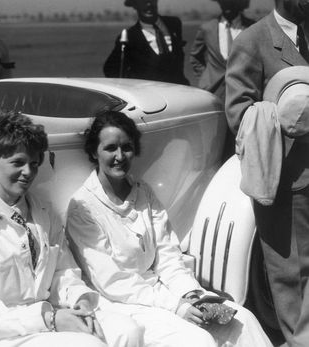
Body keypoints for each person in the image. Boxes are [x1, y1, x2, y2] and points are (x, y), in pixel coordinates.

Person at [66, 110, 273, 347]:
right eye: (110, 148)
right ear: (94, 151)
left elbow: (168, 256)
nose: (120, 156)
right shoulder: (83, 207)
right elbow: (113, 282)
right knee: (199, 341)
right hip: (122, 305)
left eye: (127, 147)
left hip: (163, 291)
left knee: (243, 321)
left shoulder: (143, 192)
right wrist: (176, 306)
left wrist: (190, 294)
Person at [0, 112, 144, 347]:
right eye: (17, 162)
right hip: (3, 335)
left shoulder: (44, 212)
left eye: (34, 164)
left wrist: (80, 301)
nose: (28, 172)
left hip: (53, 318)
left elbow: (63, 272)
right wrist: (49, 319)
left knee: (127, 331)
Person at [225, 0, 309, 345]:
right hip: (285, 178)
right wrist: (290, 112)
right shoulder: (252, 40)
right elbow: (237, 113)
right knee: (290, 275)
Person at [189, 0, 255, 162]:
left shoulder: (252, 27)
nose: (227, 6)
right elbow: (195, 57)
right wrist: (206, 77)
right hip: (214, 93)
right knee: (213, 139)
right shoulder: (207, 28)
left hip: (243, 93)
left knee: (242, 138)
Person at [103, 0, 189, 85]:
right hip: (149, 95)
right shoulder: (129, 37)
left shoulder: (174, 24)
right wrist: (134, 85)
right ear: (135, 5)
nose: (148, 4)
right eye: (143, 1)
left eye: (152, 0)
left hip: (179, 91)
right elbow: (110, 69)